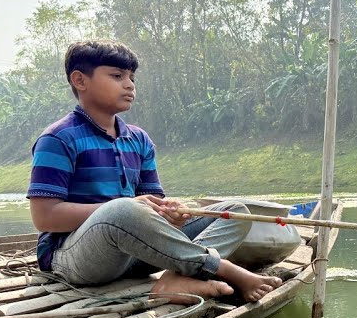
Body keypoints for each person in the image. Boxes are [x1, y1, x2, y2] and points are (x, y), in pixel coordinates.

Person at [27, 39, 281, 302]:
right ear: (80, 80)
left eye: (132, 77)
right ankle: (223, 269)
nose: (129, 85)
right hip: (77, 258)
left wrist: (171, 216)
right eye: (117, 76)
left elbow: (151, 206)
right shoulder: (58, 139)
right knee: (122, 208)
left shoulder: (139, 139)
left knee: (235, 211)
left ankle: (175, 278)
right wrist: (126, 208)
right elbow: (45, 218)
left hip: (137, 253)